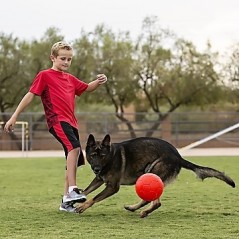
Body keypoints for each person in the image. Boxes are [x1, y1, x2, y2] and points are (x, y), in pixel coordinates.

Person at [4, 41, 107, 213]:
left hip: (72, 122)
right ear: (53, 58)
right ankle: (73, 190)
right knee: (74, 149)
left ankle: (66, 201)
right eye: (63, 59)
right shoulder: (45, 75)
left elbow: (87, 88)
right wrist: (14, 116)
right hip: (57, 121)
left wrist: (99, 81)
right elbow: (30, 95)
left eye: (69, 59)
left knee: (73, 158)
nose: (66, 62)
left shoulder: (70, 78)